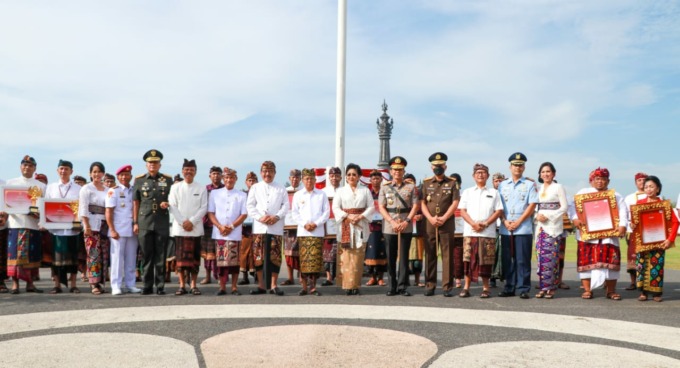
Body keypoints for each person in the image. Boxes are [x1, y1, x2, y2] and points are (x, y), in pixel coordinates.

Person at [572, 167, 627, 300]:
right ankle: (587, 290)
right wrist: (575, 218)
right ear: (591, 181)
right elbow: (572, 207)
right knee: (586, 263)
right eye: (597, 179)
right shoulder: (583, 193)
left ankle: (610, 291)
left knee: (611, 263)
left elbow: (623, 212)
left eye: (603, 179)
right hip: (587, 236)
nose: (600, 182)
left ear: (608, 181)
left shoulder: (616, 196)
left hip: (609, 236)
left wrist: (622, 226)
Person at [458, 163, 504, 298]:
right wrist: (474, 224)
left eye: (483, 172)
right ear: (473, 176)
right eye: (478, 172)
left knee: (486, 262)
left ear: (488, 176)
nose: (480, 175)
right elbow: (462, 211)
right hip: (470, 232)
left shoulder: (494, 192)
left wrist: (485, 224)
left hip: (487, 232)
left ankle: (486, 288)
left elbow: (498, 211)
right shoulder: (467, 192)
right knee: (468, 261)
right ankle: (466, 287)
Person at [133, 149, 174, 295]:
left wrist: (167, 203)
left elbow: (173, 199)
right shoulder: (139, 180)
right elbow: (136, 203)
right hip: (144, 221)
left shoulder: (168, 180)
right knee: (146, 255)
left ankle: (160, 285)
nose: (153, 165)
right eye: (150, 162)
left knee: (160, 255)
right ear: (146, 165)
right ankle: (147, 285)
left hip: (161, 221)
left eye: (155, 162)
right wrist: (135, 222)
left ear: (160, 165)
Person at [498, 152, 539, 299]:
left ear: (524, 167)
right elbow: (498, 206)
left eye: (520, 165)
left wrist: (519, 221)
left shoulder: (529, 185)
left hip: (523, 227)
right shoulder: (502, 185)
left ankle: (523, 288)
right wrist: (504, 221)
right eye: (515, 165)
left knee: (522, 260)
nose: (518, 167)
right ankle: (509, 287)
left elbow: (532, 205)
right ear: (510, 167)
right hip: (506, 227)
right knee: (508, 260)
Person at [246, 161, 289, 296]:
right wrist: (260, 217)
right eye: (265, 171)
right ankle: (261, 285)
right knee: (258, 257)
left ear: (275, 173)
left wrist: (276, 216)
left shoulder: (281, 188)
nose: (267, 174)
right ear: (261, 173)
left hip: (275, 227)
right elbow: (250, 206)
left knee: (275, 257)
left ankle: (274, 285)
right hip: (260, 227)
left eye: (270, 171)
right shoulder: (255, 187)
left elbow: (286, 206)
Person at [632, 176, 678, 302]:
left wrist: (670, 239)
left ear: (658, 188)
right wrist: (633, 225)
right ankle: (643, 293)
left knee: (657, 266)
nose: (648, 189)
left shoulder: (664, 204)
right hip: (643, 242)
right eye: (646, 187)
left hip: (659, 242)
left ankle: (656, 293)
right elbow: (635, 223)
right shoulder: (639, 204)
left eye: (651, 186)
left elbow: (675, 222)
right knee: (641, 266)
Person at [421, 153, 461, 297]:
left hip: (447, 223)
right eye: (435, 166)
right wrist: (430, 218)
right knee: (430, 253)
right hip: (430, 224)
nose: (438, 168)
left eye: (441, 165)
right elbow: (422, 203)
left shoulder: (452, 183)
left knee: (447, 255)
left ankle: (447, 287)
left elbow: (455, 202)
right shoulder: (426, 183)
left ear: (445, 166)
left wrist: (444, 217)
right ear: (431, 167)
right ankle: (430, 285)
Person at [378, 156, 419, 297]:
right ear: (390, 171)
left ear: (404, 170)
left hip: (405, 225)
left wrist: (407, 220)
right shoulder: (385, 187)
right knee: (390, 257)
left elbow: (415, 206)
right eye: (395, 169)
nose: (397, 172)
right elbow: (381, 207)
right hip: (390, 226)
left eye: (400, 169)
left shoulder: (411, 187)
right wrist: (392, 221)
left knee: (403, 257)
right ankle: (392, 286)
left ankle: (402, 286)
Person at [6, 155, 46, 294]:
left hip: (32, 224)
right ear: (20, 166)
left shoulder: (40, 186)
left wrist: (39, 215)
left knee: (31, 255)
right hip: (15, 223)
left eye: (30, 165)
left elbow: (44, 206)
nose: (27, 167)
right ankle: (15, 284)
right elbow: (4, 204)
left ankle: (30, 284)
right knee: (14, 256)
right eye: (24, 165)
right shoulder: (10, 184)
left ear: (34, 168)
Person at [333, 163, 374, 295]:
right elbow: (335, 208)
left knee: (357, 257)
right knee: (346, 256)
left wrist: (360, 216)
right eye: (349, 174)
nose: (351, 177)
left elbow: (371, 207)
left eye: (354, 174)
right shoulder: (340, 191)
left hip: (360, 224)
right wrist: (347, 216)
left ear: (359, 176)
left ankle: (355, 285)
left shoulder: (365, 190)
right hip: (345, 225)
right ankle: (346, 285)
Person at [168, 159, 208, 296]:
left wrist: (192, 221)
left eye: (191, 169)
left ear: (195, 171)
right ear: (182, 171)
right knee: (180, 260)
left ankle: (193, 285)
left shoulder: (201, 188)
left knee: (195, 260)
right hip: (180, 229)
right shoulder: (175, 187)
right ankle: (181, 285)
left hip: (195, 229)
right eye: (186, 169)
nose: (188, 172)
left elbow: (204, 208)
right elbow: (172, 206)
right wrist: (183, 222)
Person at [44, 159, 82, 294]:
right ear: (57, 170)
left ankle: (73, 284)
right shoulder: (51, 187)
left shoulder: (78, 189)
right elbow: (45, 207)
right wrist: (44, 223)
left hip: (72, 230)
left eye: (66, 169)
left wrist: (80, 224)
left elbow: (81, 209)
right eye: (61, 168)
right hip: (56, 230)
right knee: (56, 259)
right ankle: (57, 285)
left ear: (71, 171)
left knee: (73, 259)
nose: (63, 171)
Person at [208, 167, 248, 296]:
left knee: (235, 263)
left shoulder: (241, 195)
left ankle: (234, 287)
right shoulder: (215, 193)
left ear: (236, 179)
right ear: (223, 179)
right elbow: (210, 213)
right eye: (226, 178)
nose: (229, 180)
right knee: (221, 263)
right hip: (219, 232)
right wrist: (220, 226)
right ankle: (222, 287)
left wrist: (231, 226)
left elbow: (244, 214)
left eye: (232, 178)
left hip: (234, 233)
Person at [291, 168, 330, 296]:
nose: (309, 181)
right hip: (303, 232)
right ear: (303, 180)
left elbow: (326, 213)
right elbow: (294, 213)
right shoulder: (298, 195)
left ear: (315, 180)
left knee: (315, 261)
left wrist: (316, 223)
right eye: (306, 178)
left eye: (311, 178)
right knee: (304, 261)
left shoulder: (321, 194)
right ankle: (303, 287)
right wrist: (304, 224)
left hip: (317, 232)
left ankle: (313, 287)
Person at [533, 162, 568, 299]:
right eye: (543, 172)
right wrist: (537, 215)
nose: (545, 174)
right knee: (541, 258)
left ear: (553, 173)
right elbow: (535, 207)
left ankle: (551, 288)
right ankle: (543, 287)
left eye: (548, 171)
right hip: (540, 227)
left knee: (551, 258)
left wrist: (548, 216)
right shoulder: (539, 188)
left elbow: (564, 207)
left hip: (553, 227)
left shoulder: (558, 187)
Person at [105, 164, 141, 295]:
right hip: (118, 230)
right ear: (118, 177)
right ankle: (116, 285)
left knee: (131, 258)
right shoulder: (113, 191)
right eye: (122, 175)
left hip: (132, 229)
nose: (124, 177)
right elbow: (108, 211)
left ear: (131, 176)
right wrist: (112, 229)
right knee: (117, 260)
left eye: (127, 175)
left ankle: (130, 284)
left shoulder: (135, 190)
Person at [79, 161, 109, 295]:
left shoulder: (108, 189)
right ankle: (93, 284)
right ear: (90, 174)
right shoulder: (86, 188)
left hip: (104, 225)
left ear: (103, 173)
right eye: (94, 172)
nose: (97, 174)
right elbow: (83, 208)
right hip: (91, 224)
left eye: (99, 172)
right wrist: (86, 225)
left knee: (103, 255)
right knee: (93, 255)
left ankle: (101, 282)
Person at [623, 172, 648, 291]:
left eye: (644, 180)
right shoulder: (629, 198)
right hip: (632, 231)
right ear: (635, 183)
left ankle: (646, 281)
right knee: (633, 256)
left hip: (649, 231)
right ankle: (633, 282)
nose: (642, 182)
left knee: (648, 256)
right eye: (639, 180)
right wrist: (629, 224)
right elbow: (625, 215)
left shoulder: (655, 197)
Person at [200, 166, 224, 285]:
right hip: (207, 225)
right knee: (207, 253)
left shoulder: (225, 189)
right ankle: (208, 276)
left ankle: (221, 277)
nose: (216, 176)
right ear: (210, 176)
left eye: (218, 173)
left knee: (220, 252)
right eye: (213, 174)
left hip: (221, 225)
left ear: (222, 176)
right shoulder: (205, 189)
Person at [365, 170, 387, 286]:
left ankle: (381, 278)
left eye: (378, 178)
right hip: (371, 227)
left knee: (382, 252)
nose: (375, 180)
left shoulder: (385, 193)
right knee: (371, 252)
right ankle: (372, 277)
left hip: (383, 227)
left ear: (381, 179)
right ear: (370, 180)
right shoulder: (367, 194)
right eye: (373, 178)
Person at [321, 166, 342, 286]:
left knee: (340, 251)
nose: (334, 178)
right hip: (327, 225)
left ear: (340, 177)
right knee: (327, 252)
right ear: (329, 177)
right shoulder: (323, 192)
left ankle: (340, 276)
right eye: (332, 176)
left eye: (337, 176)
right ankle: (329, 277)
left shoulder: (344, 190)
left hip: (341, 224)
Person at [282, 169, 302, 286]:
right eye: (293, 177)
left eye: (297, 177)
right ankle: (290, 278)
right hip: (288, 227)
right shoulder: (285, 192)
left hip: (300, 227)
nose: (295, 179)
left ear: (300, 179)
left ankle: (301, 277)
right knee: (288, 253)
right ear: (290, 179)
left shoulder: (303, 192)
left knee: (300, 253)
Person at [405, 173, 425, 288]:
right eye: (407, 181)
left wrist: (421, 216)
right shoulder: (401, 193)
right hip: (405, 228)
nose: (409, 184)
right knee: (405, 257)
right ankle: (405, 280)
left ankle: (417, 280)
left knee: (418, 259)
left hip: (418, 231)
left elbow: (426, 209)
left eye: (411, 181)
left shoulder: (420, 194)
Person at [238, 172, 258, 285]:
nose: (251, 182)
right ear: (246, 182)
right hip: (245, 229)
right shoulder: (242, 195)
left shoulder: (260, 194)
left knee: (256, 253)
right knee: (244, 253)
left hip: (257, 229)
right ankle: (245, 277)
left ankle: (257, 276)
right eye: (249, 180)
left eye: (253, 180)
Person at [489, 172, 505, 288]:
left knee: (505, 253)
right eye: (496, 181)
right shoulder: (490, 194)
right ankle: (492, 277)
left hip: (505, 226)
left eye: (500, 181)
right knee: (492, 253)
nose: (498, 183)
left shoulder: (507, 193)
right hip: (493, 227)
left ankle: (504, 276)